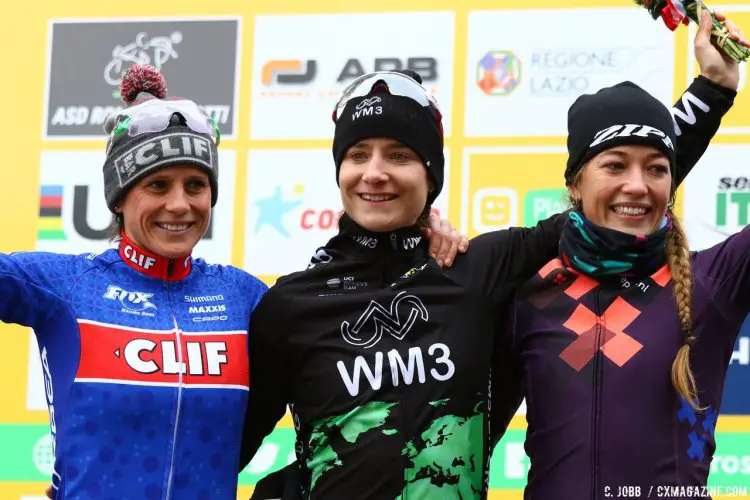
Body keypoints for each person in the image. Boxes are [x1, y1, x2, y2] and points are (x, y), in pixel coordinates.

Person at [239, 19, 739, 495]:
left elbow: (618, 194)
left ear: (430, 173)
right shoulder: (291, 304)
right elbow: (224, 448)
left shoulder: (479, 268)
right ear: (339, 168)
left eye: (399, 156)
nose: (375, 173)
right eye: (357, 154)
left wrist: (712, 92)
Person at [21, 64, 464, 500]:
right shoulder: (64, 285)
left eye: (196, 185)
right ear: (119, 197)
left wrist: (422, 234)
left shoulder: (244, 298)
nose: (179, 205)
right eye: (157, 185)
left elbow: (361, 381)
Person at [500, 9, 749, 500]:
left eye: (656, 170)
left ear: (670, 182)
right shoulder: (524, 291)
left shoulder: (711, 282)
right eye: (613, 166)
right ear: (575, 182)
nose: (636, 186)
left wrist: (717, 87)